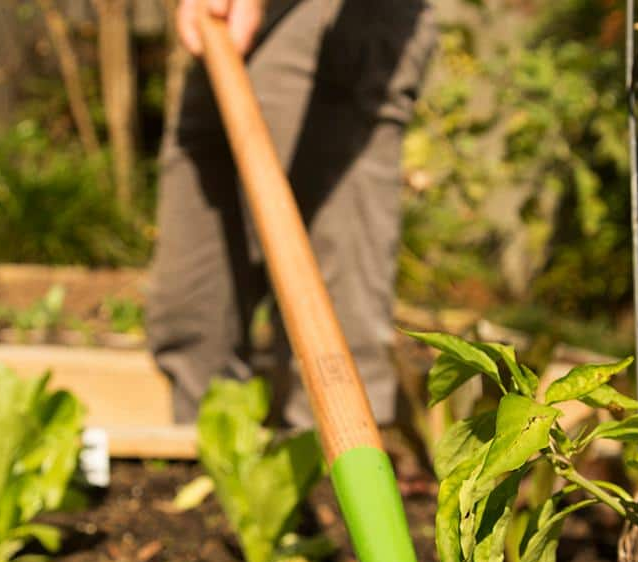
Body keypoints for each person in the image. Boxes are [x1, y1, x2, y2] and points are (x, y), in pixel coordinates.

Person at [146, 0, 437, 429]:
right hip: (226, 17)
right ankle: (211, 458)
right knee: (194, 297)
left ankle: (336, 475)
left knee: (332, 296)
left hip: (338, 18)